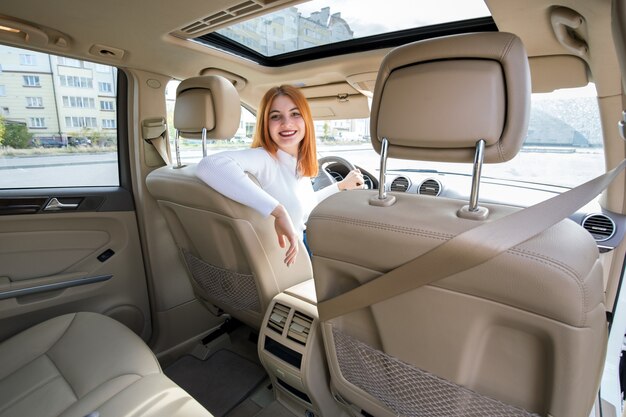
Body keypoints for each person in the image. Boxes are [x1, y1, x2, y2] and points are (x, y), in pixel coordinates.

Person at [196, 85, 364, 266]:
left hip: (299, 252)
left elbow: (302, 210)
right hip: (289, 261)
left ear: (306, 120)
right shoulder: (264, 158)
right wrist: (278, 211)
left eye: (295, 114)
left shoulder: (296, 163)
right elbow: (208, 165)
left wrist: (340, 186)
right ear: (265, 124)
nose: (286, 123)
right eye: (275, 116)